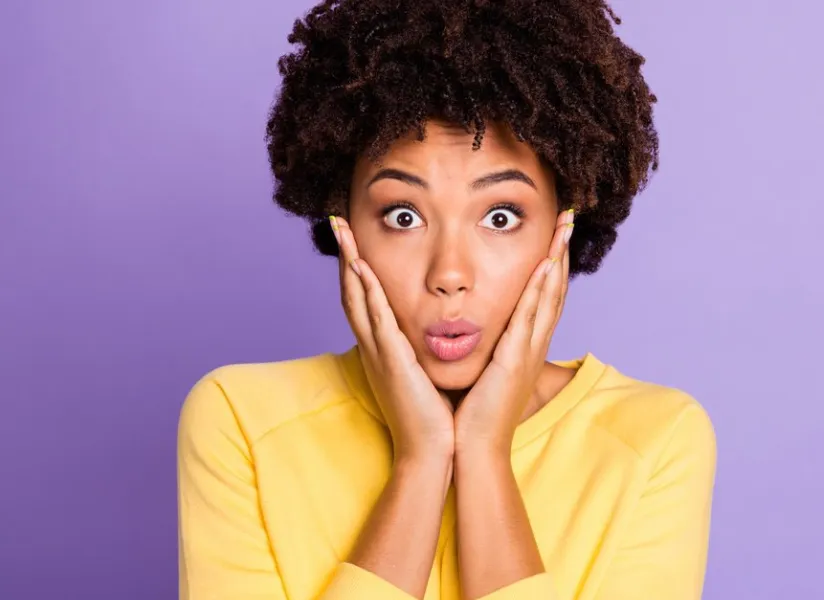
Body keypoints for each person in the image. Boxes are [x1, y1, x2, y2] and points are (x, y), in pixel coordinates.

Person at [176, 1, 717, 598]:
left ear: (563, 230)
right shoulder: (242, 422)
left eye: (501, 216)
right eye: (403, 216)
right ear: (343, 224)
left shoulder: (654, 441)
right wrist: (421, 460)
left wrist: (484, 455)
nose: (450, 273)